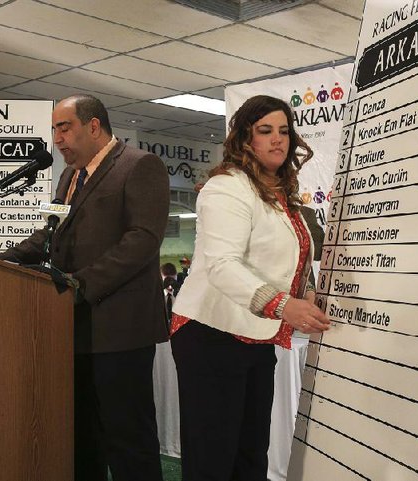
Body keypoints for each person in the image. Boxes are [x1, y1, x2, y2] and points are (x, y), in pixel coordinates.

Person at [0, 94, 170, 481]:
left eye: (64, 127)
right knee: (81, 439)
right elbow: (51, 233)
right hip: (73, 327)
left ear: (93, 126)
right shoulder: (69, 176)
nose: (57, 138)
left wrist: (81, 284)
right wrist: (1, 259)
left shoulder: (140, 165)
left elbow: (142, 240)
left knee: (128, 439)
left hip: (120, 331)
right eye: (54, 129)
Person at [170, 95, 331, 481]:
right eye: (265, 131)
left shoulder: (278, 193)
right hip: (211, 332)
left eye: (284, 131)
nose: (278, 139)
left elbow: (281, 258)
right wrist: (283, 305)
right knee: (213, 459)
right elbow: (224, 265)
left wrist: (304, 293)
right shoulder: (226, 187)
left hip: (255, 335)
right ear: (245, 138)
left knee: (250, 456)